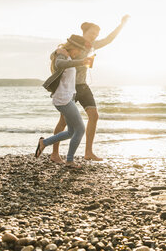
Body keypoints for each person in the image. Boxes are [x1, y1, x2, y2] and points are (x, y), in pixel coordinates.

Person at [50, 15, 130, 163]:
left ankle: (88, 152)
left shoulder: (92, 46)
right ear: (84, 32)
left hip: (83, 85)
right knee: (64, 122)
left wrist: (122, 24)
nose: (95, 37)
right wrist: (61, 53)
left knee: (94, 115)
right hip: (69, 88)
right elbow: (57, 57)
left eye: (96, 35)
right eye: (92, 33)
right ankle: (54, 154)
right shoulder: (73, 45)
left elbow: (109, 39)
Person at [35, 35, 94, 167]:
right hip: (63, 99)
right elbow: (59, 64)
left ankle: (44, 143)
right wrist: (80, 62)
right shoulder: (61, 54)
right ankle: (69, 160)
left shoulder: (67, 56)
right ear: (72, 47)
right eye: (78, 50)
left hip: (67, 98)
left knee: (71, 132)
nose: (78, 53)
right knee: (80, 129)